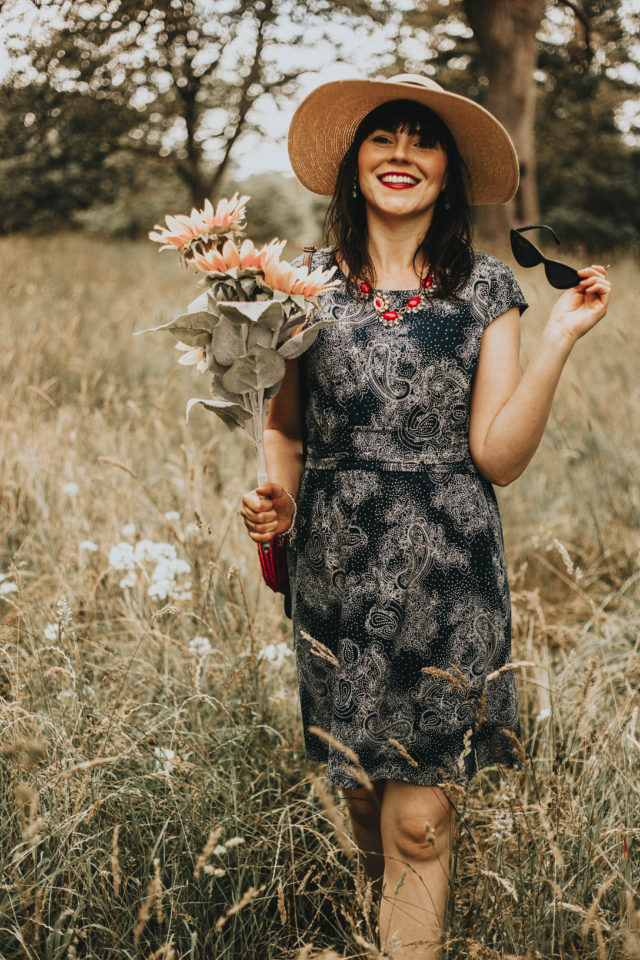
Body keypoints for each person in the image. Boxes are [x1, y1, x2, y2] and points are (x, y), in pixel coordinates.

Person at [239, 74, 610, 959]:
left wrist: (557, 339)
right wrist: (274, 498)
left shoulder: (487, 292)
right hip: (334, 561)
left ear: (447, 170)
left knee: (417, 823)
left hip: (449, 576)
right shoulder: (298, 285)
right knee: (363, 795)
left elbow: (499, 458)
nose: (401, 154)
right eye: (382, 137)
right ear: (353, 163)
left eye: (423, 140)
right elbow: (283, 427)